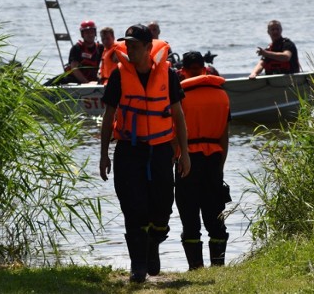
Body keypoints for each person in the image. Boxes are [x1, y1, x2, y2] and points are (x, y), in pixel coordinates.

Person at [99, 24, 191, 283]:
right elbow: (108, 117)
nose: (130, 49)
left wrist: (184, 153)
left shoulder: (168, 74)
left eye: (136, 45)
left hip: (161, 150)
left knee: (162, 208)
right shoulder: (119, 75)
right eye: (127, 45)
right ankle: (138, 265)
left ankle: (153, 244)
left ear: (149, 48)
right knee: (133, 207)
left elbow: (178, 115)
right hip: (129, 149)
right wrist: (104, 154)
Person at [175, 51, 231, 270]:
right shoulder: (222, 95)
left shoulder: (181, 96)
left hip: (187, 161)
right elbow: (224, 136)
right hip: (214, 161)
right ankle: (218, 265)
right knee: (215, 217)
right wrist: (221, 165)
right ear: (205, 68)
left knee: (190, 218)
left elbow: (173, 134)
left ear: (183, 71)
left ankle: (195, 267)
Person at [46, 20, 104, 85]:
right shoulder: (77, 48)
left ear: (95, 33)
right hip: (75, 79)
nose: (90, 35)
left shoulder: (100, 48)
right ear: (82, 34)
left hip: (92, 79)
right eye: (87, 32)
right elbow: (74, 69)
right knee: (54, 82)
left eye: (91, 32)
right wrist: (87, 83)